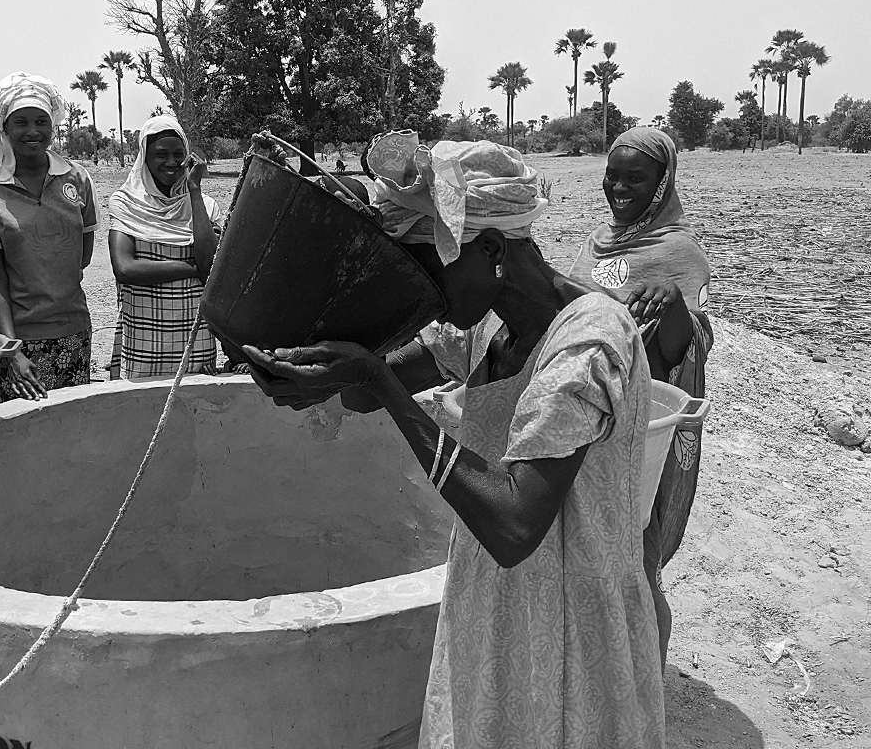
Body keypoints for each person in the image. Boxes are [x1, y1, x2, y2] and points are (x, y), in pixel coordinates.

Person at [243, 131, 664, 748]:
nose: (424, 290)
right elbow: (360, 393)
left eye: (428, 266)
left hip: (574, 620)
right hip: (496, 607)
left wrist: (378, 381)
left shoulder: (588, 343)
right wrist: (325, 360)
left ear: (490, 247)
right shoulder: (488, 326)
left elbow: (514, 524)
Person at [569, 126, 712, 666]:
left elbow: (687, 347)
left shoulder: (678, 251)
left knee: (634, 555)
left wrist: (673, 304)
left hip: (637, 428)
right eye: (613, 176)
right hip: (583, 414)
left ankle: (644, 678)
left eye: (636, 178)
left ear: (662, 184)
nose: (620, 188)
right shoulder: (595, 242)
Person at [0, 72, 99, 402]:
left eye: (41, 121)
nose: (32, 131)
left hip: (73, 330)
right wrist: (12, 351)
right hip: (17, 338)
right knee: (18, 426)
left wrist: (30, 280)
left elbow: (80, 257)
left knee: (70, 423)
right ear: (4, 127)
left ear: (53, 125)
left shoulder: (77, 179)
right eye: (21, 122)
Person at [107, 115, 223, 379]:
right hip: (141, 337)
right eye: (160, 154)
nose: (171, 162)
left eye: (178, 154)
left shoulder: (204, 206)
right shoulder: (126, 204)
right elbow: (125, 269)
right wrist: (191, 268)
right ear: (144, 158)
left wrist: (194, 190)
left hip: (195, 339)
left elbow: (210, 266)